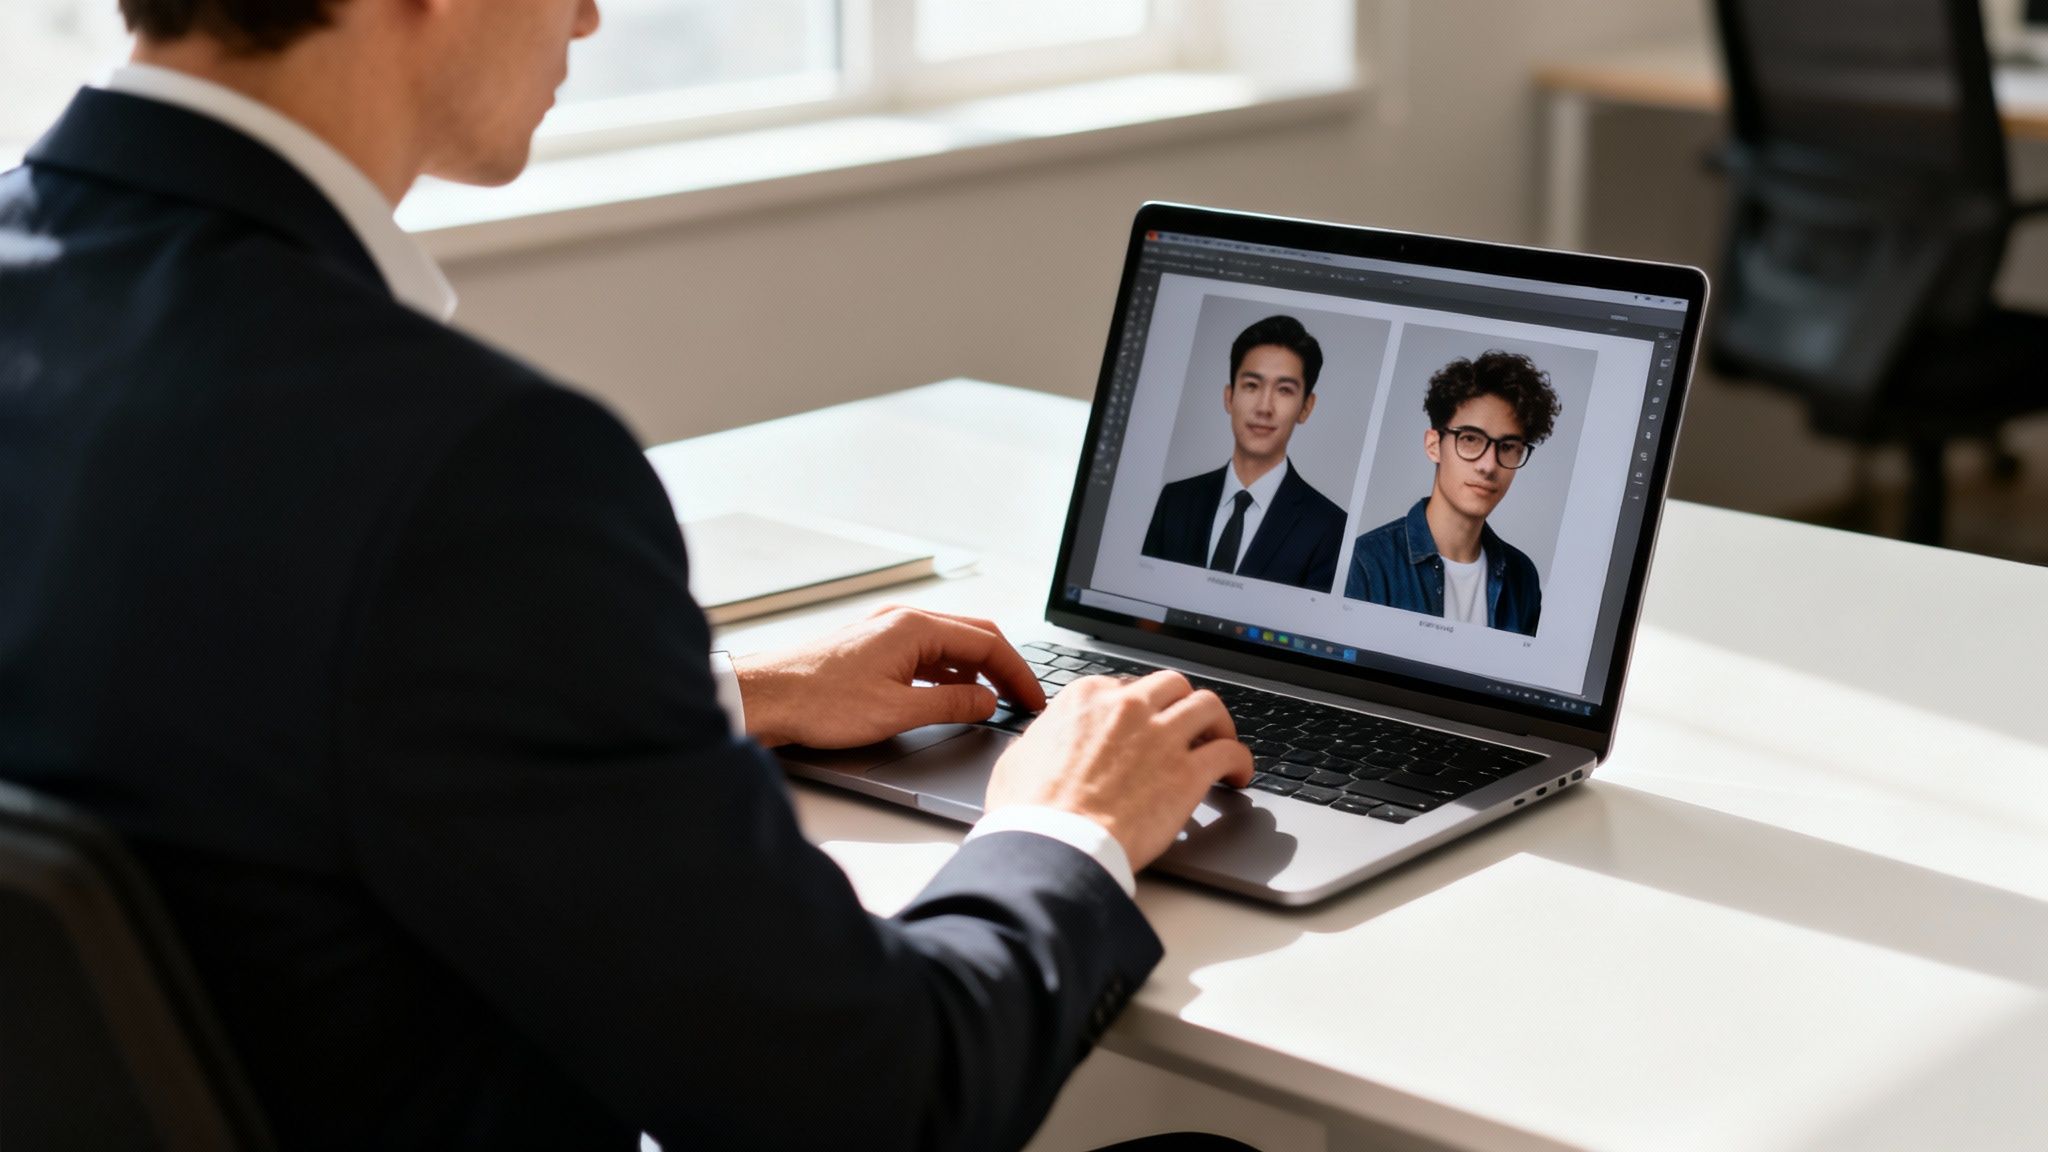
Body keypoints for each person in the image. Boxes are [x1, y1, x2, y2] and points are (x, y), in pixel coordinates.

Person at [0, 1, 1256, 1149]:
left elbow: (190, 676)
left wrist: (711, 694)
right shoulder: (473, 467)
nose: (593, 15)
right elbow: (873, 1101)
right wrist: (1069, 820)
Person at [1343, 351, 1561, 637]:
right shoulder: (1367, 562)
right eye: (1470, 439)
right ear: (1434, 445)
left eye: (1508, 447)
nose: (1489, 465)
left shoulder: (1522, 577)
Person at [1141, 315, 1347, 592]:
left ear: (1306, 407)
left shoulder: (1330, 528)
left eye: (1284, 390)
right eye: (1251, 385)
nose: (1264, 407)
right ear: (1229, 396)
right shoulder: (1176, 501)